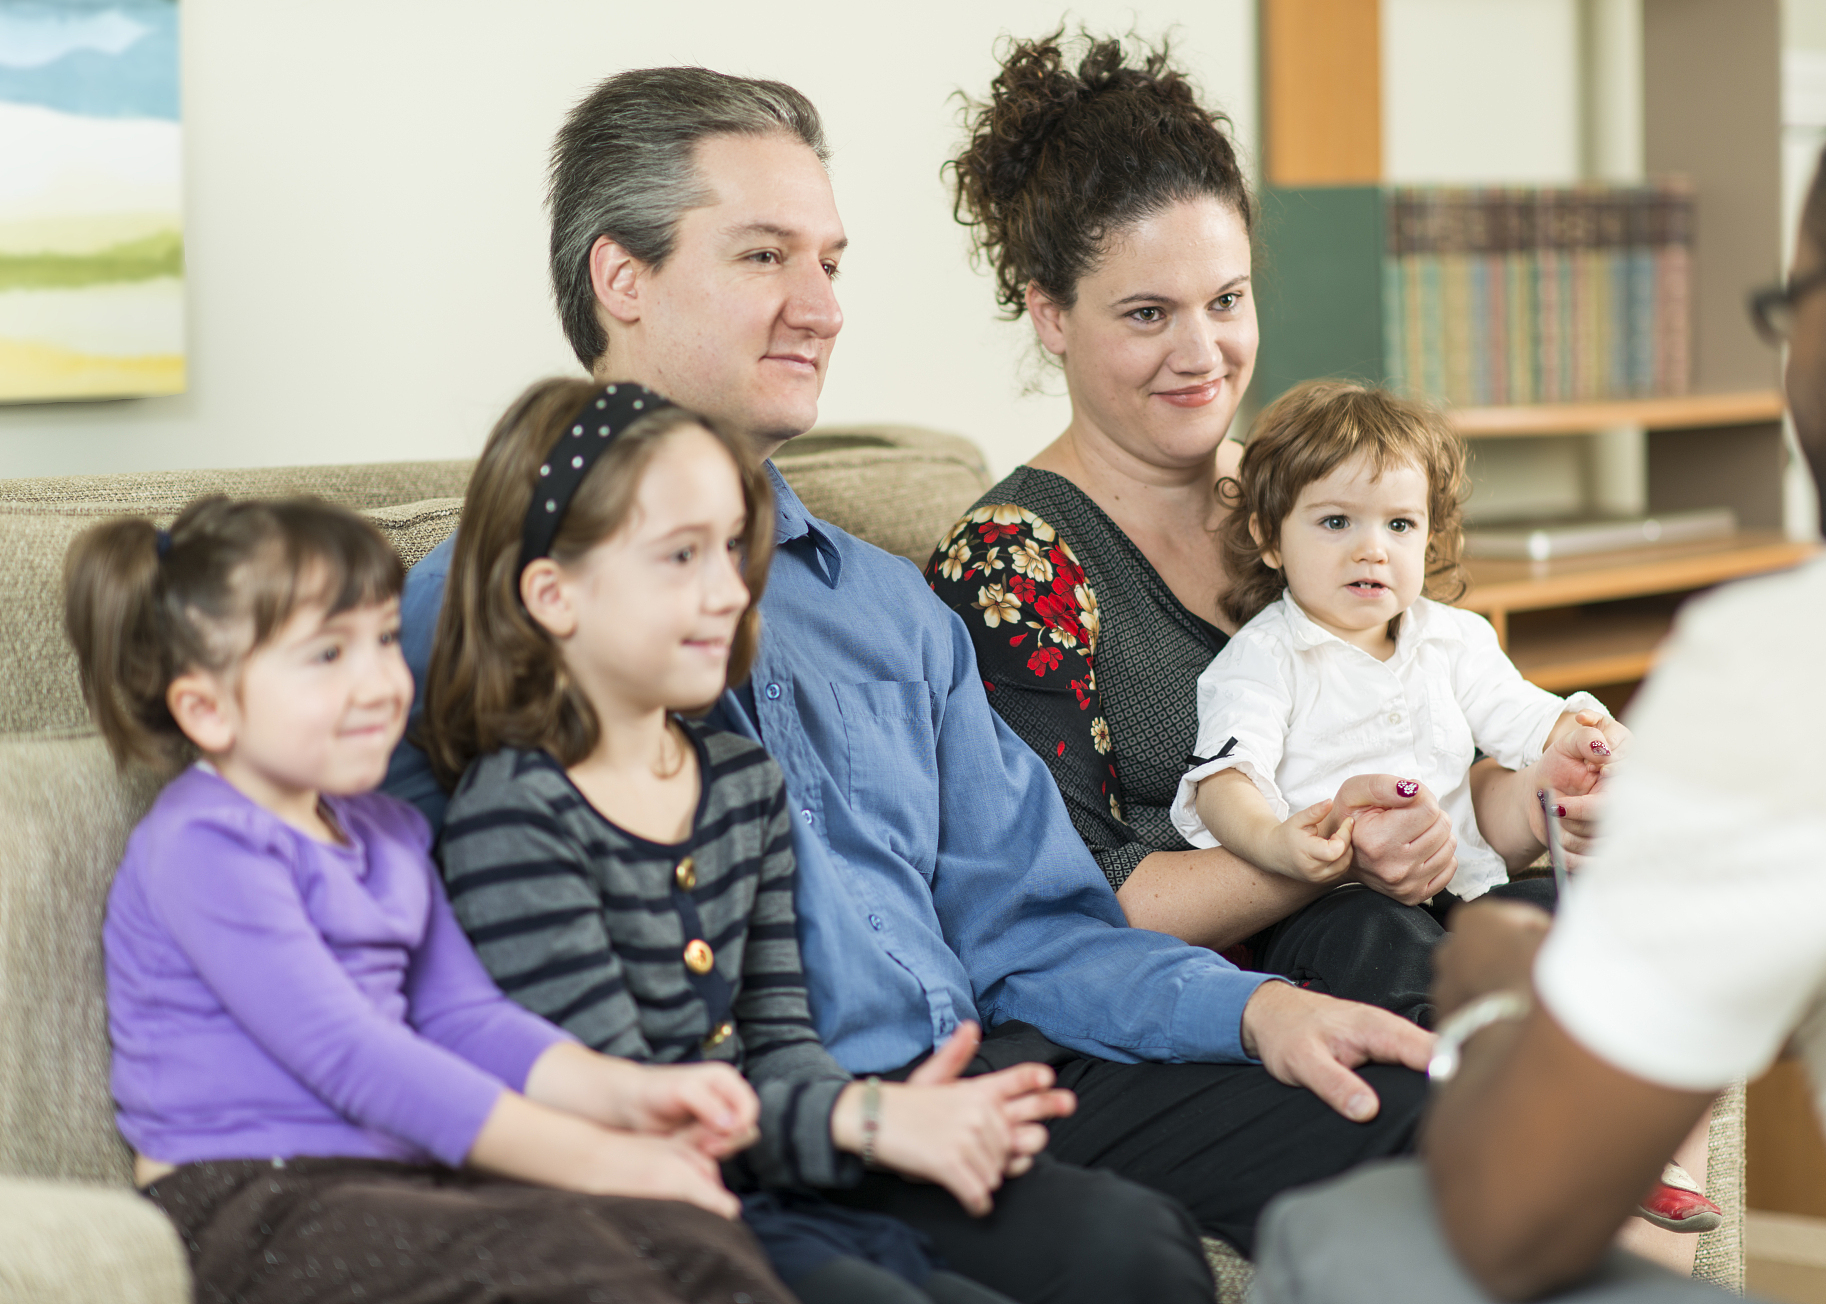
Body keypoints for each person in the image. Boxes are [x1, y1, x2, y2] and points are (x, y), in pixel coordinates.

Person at [385, 64, 1435, 1303]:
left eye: (831, 262)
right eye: (765, 256)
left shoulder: (889, 606)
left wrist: (1256, 1012)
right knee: (1121, 1254)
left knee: (1410, 1100)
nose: (820, 306)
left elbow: (1031, 927)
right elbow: (444, 954)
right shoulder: (493, 599)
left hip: (990, 1069)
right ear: (624, 279)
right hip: (760, 1132)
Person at [1251, 54, 1826, 1302]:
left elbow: (1517, 1212)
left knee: (1347, 1234)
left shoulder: (1813, 648)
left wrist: (1499, 1000)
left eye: (1794, 317)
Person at [926, 34, 1585, 1016]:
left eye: (1225, 300)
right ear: (1050, 315)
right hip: (1231, 987)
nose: (1202, 353)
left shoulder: (1316, 498)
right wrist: (1337, 851)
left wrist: (1550, 798)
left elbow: (1450, 735)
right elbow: (1073, 896)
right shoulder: (1012, 566)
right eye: (1147, 313)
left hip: (1424, 911)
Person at [65, 494, 794, 1304]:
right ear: (206, 708)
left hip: (404, 1179)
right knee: (577, 1262)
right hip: (250, 1198)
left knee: (694, 1240)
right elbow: (353, 1056)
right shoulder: (206, 844)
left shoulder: (388, 830)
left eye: (382, 637)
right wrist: (602, 1156)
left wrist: (630, 1092)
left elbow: (464, 1018)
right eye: (326, 654)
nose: (380, 681)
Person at [421, 375, 1050, 1304]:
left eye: (731, 549)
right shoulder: (514, 817)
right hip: (627, 1221)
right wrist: (866, 1118)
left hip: (765, 1188)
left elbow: (779, 1042)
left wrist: (874, 1115)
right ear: (552, 595)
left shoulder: (738, 783)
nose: (730, 591)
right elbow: (639, 1100)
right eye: (681, 557)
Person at [1172, 379, 1623, 909]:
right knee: (1374, 941)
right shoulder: (1265, 656)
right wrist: (1276, 844)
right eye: (1336, 521)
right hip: (1340, 901)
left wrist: (1597, 743)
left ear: (1429, 540)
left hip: (1468, 884)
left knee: (1567, 912)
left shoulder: (1454, 638)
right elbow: (1224, 780)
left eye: (1400, 524)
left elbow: (1530, 717)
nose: (1373, 549)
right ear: (1270, 538)